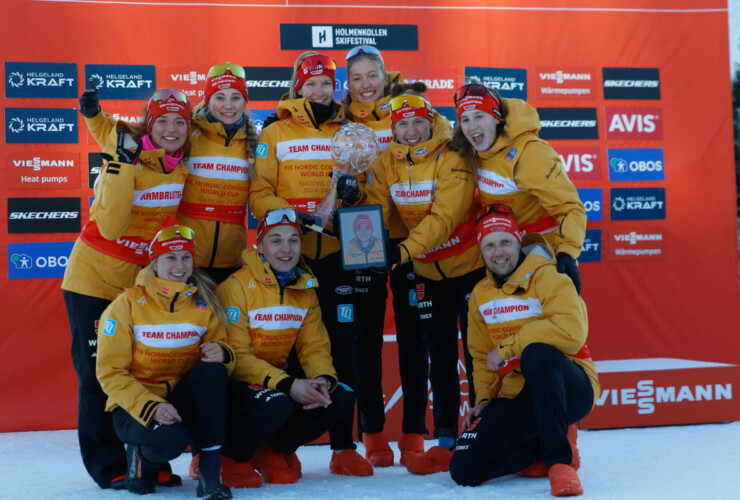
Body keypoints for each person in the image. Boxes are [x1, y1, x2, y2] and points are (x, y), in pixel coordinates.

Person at [345, 83, 484, 475]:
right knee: (439, 353)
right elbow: (378, 205)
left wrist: (401, 252)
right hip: (427, 269)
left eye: (417, 122)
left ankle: (481, 433)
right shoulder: (388, 158)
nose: (410, 131)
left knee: (476, 354)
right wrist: (357, 202)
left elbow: (444, 217)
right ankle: (445, 441)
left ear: (430, 122)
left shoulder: (452, 154)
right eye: (402, 124)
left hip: (467, 264)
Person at [248, 51, 374, 476]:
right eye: (311, 83)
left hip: (339, 254)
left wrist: (357, 194)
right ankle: (285, 444)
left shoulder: (351, 129)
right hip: (290, 252)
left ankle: (344, 447)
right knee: (287, 346)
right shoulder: (275, 131)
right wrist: (294, 217)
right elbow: (258, 192)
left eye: (326, 83)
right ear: (297, 87)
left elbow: (369, 187)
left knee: (342, 345)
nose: (320, 90)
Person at [62, 88, 191, 490]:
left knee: (146, 371)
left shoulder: (182, 161)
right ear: (147, 124)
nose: (171, 129)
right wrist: (122, 164)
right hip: (94, 282)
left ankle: (146, 455)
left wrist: (93, 114)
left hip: (140, 286)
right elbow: (114, 225)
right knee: (97, 375)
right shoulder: (127, 153)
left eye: (180, 122)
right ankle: (108, 465)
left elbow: (103, 127)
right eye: (162, 121)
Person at [449, 82, 587, 406]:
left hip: (542, 257)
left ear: (497, 117)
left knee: (552, 344)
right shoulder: (472, 151)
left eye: (479, 116)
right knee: (502, 343)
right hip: (501, 257)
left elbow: (571, 208)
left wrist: (567, 253)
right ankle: (506, 423)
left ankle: (566, 440)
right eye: (464, 119)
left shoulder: (529, 153)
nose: (471, 126)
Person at [448, 204, 599, 497]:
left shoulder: (549, 276)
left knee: (537, 352)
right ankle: (539, 449)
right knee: (464, 469)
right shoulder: (479, 294)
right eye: (489, 245)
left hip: (572, 387)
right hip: (519, 395)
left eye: (505, 241)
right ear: (481, 250)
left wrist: (509, 347)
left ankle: (559, 464)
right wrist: (484, 400)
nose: (498, 252)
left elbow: (572, 331)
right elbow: (480, 357)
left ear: (519, 241)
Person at [212, 208, 356, 489]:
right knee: (277, 403)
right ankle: (232, 456)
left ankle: (274, 449)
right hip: (239, 385)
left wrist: (323, 379)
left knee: (342, 397)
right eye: (276, 240)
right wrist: (289, 385)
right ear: (260, 246)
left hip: (279, 382)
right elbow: (237, 357)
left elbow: (314, 346)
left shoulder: (304, 286)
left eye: (293, 240)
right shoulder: (236, 287)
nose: (286, 249)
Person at [80, 62, 258, 283]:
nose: (228, 106)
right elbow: (125, 136)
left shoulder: (255, 142)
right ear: (207, 99)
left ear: (245, 100)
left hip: (232, 258)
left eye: (235, 97)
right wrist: (94, 115)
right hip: (184, 258)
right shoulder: (185, 128)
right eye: (220, 97)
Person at [96, 216, 235, 499]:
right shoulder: (127, 304)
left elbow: (222, 347)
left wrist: (223, 352)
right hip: (135, 405)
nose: (180, 266)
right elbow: (110, 373)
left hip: (179, 399)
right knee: (170, 439)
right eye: (170, 257)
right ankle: (142, 459)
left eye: (186, 257)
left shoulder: (203, 302)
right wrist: (151, 407)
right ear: (154, 263)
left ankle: (210, 474)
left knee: (213, 371)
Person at [338, 46, 428, 468]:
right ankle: (372, 434)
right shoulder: (338, 120)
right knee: (364, 340)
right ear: (347, 83)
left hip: (411, 239)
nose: (365, 84)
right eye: (356, 77)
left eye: (371, 74)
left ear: (384, 74)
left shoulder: (411, 111)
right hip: (363, 237)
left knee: (415, 339)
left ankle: (414, 434)